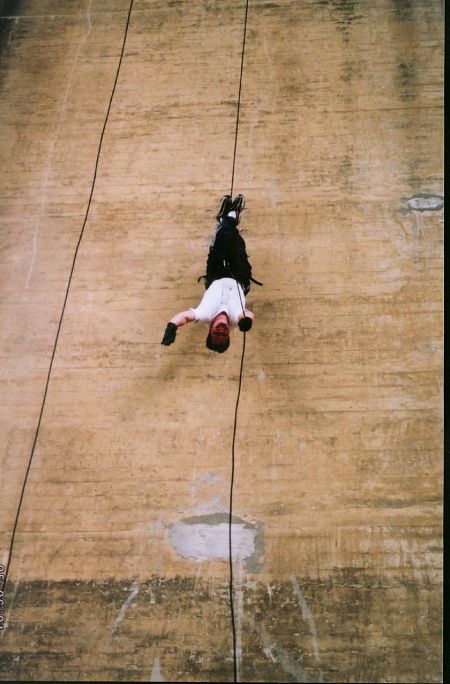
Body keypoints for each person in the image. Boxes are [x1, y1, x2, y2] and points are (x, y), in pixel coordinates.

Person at [161, 194, 261, 353]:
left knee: (222, 238)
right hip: (240, 277)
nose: (221, 331)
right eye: (224, 335)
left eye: (216, 334)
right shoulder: (236, 319)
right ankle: (228, 219)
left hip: (216, 274)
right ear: (229, 334)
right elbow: (247, 314)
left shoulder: (205, 314)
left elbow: (185, 317)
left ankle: (228, 219)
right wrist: (246, 322)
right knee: (237, 243)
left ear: (209, 330)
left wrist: (171, 326)